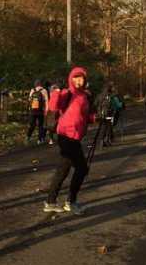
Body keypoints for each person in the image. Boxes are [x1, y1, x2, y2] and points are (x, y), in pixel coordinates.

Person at [44, 66, 95, 216]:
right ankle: (70, 202)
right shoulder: (67, 93)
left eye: (81, 78)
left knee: (63, 169)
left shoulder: (84, 96)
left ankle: (51, 202)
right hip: (66, 136)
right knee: (82, 168)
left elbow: (84, 116)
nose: (79, 81)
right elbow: (53, 106)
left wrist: (96, 118)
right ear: (71, 79)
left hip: (75, 137)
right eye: (76, 78)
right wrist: (57, 90)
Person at [27, 80, 49, 145]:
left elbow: (29, 100)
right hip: (40, 111)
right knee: (41, 125)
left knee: (32, 124)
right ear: (40, 84)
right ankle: (39, 140)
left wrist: (29, 109)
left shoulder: (32, 90)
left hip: (32, 110)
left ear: (35, 85)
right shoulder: (44, 90)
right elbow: (46, 101)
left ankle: (28, 137)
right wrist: (46, 110)